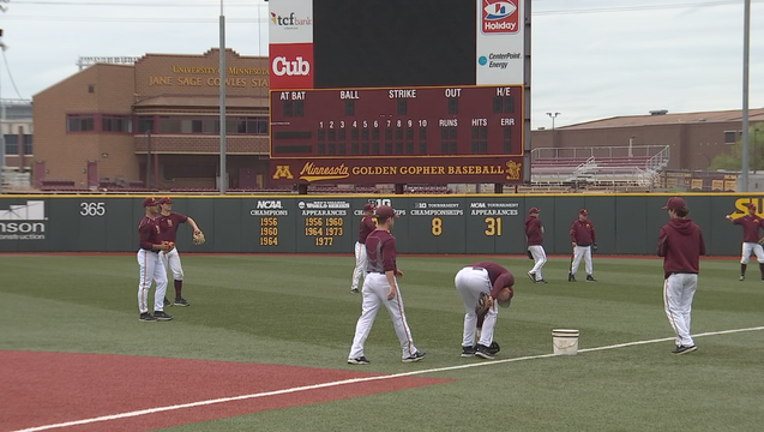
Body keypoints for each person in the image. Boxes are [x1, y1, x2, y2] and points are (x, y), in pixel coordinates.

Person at [348, 205, 426, 365]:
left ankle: (355, 353)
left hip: (369, 279)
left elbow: (377, 259)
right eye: (393, 218)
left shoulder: (370, 237)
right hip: (383, 279)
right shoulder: (389, 238)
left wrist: (394, 270)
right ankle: (409, 351)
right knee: (398, 316)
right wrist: (392, 285)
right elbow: (388, 263)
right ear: (389, 219)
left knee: (365, 317)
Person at [657, 197, 705, 355]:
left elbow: (660, 252)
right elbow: (702, 250)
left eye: (669, 210)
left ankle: (687, 341)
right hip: (692, 273)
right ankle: (681, 342)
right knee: (685, 309)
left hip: (676, 273)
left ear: (673, 211)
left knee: (672, 309)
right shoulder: (696, 228)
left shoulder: (667, 229)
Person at [454, 262, 514, 359]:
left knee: (471, 313)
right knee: (492, 312)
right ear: (508, 290)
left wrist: (479, 334)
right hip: (479, 276)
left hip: (461, 275)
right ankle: (484, 346)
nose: (502, 300)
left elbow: (480, 314)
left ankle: (467, 347)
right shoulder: (510, 279)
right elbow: (502, 279)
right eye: (506, 298)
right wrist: (493, 296)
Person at [157, 198, 202, 307]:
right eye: (167, 204)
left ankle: (178, 298)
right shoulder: (157, 219)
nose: (169, 205)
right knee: (162, 276)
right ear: (161, 205)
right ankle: (161, 298)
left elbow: (188, 219)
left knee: (178, 273)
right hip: (161, 251)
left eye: (170, 203)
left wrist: (196, 228)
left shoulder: (175, 216)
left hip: (172, 249)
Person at [137, 197, 173, 322]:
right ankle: (143, 312)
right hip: (147, 255)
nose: (156, 206)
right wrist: (160, 246)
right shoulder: (145, 223)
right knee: (145, 284)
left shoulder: (154, 220)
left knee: (163, 281)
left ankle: (159, 310)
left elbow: (155, 239)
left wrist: (164, 244)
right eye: (154, 205)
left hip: (156, 255)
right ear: (147, 207)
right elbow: (143, 244)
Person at [725, 203, 764, 281]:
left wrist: (762, 239)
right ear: (749, 210)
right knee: (744, 259)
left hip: (756, 242)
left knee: (762, 259)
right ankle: (742, 275)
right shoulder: (744, 218)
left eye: (754, 209)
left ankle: (763, 277)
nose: (754, 210)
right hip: (747, 242)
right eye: (752, 209)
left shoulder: (759, 219)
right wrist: (729, 218)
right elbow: (734, 221)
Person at [351, 203, 376, 294]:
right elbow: (373, 228)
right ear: (367, 211)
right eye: (371, 210)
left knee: (366, 267)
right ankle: (354, 286)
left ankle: (367, 286)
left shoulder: (367, 218)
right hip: (361, 245)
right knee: (360, 266)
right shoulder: (366, 219)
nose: (372, 211)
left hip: (366, 245)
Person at [569, 209, 597, 282]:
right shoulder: (576, 223)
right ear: (580, 215)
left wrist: (594, 242)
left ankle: (589, 275)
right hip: (579, 245)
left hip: (587, 245)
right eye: (583, 215)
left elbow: (592, 233)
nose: (585, 217)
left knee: (589, 260)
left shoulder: (589, 223)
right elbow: (572, 233)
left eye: (586, 215)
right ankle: (572, 274)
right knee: (576, 260)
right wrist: (574, 241)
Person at [525, 207, 547, 283]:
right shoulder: (536, 220)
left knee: (537, 261)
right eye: (536, 212)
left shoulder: (527, 221)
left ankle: (538, 278)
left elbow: (527, 233)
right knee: (543, 259)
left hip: (530, 243)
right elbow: (542, 230)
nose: (538, 214)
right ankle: (532, 272)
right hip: (536, 243)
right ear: (533, 213)